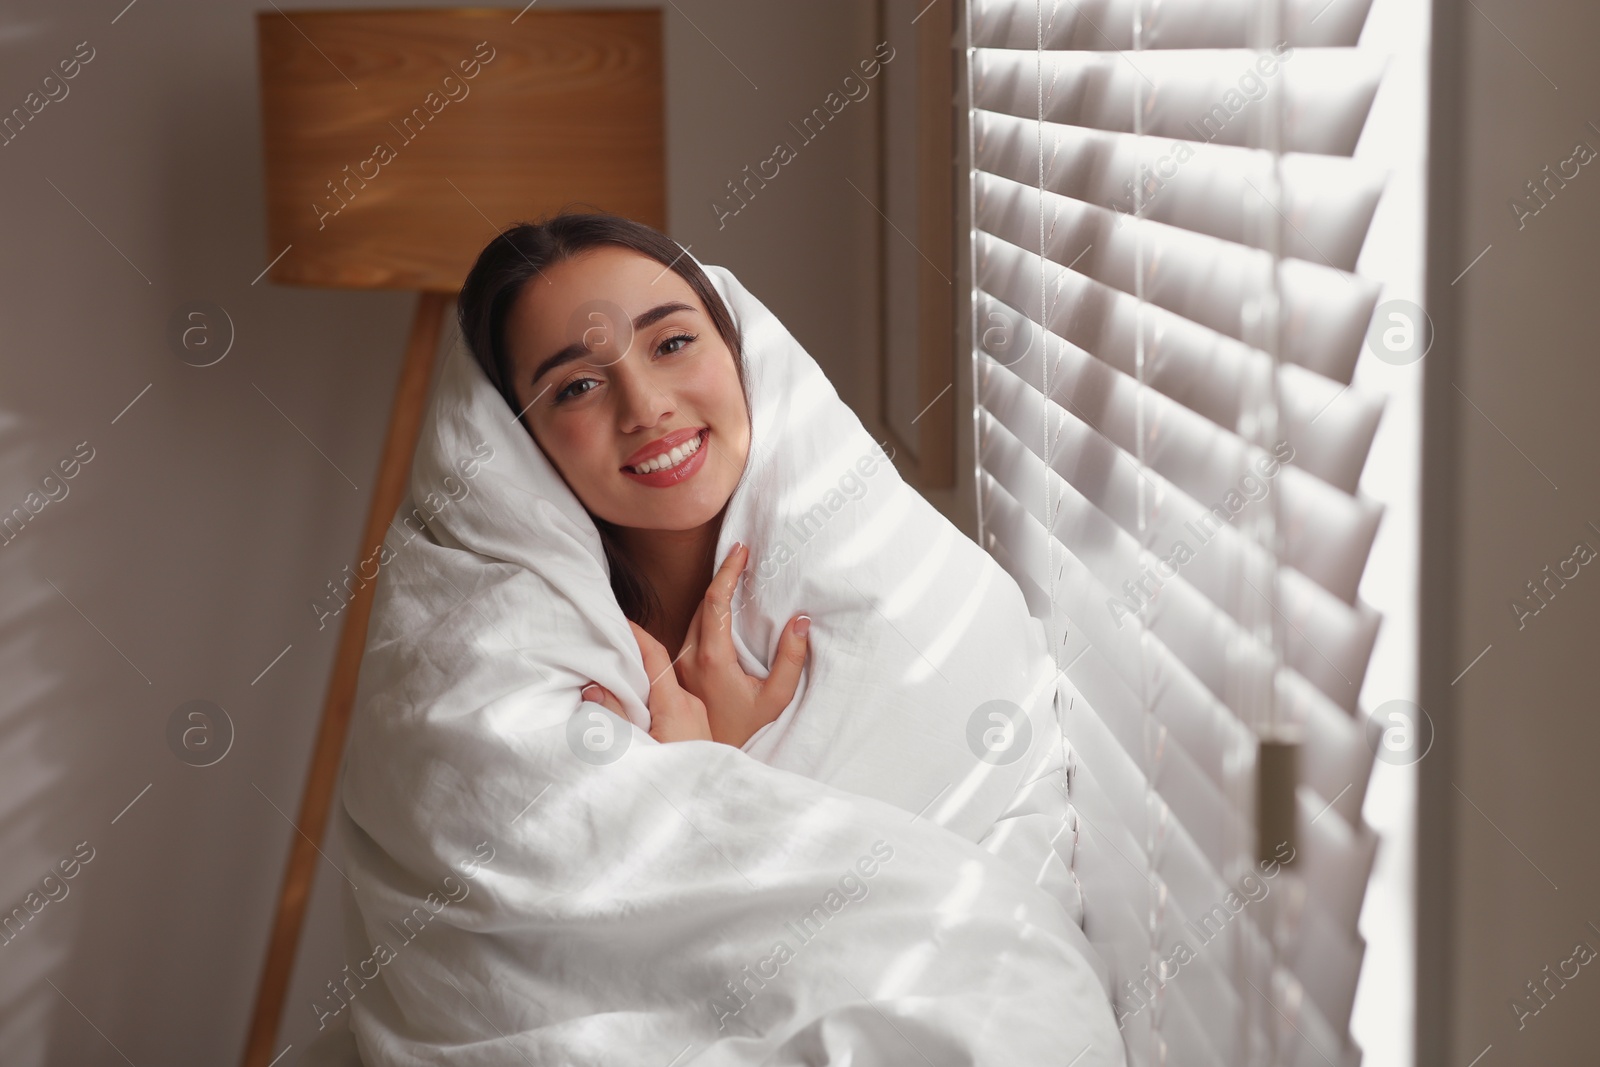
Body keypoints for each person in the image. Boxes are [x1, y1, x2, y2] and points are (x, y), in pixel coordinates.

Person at [456, 211, 809, 750]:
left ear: (738, 347)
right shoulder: (526, 670)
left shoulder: (857, 583)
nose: (646, 409)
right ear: (520, 441)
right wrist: (713, 761)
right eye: (577, 386)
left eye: (671, 344)